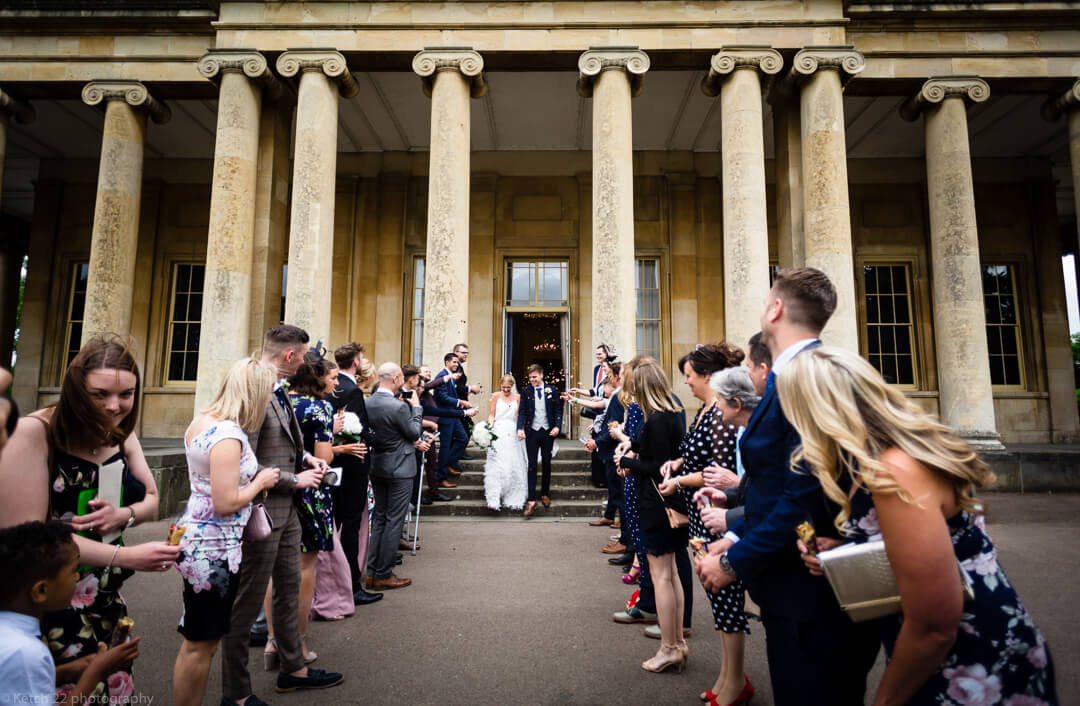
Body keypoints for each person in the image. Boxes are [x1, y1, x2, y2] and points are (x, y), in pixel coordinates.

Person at [783, 347, 1058, 706]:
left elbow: (934, 625)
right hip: (963, 647)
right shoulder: (882, 455)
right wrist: (845, 552)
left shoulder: (894, 471)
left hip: (971, 660)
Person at [693, 268, 880, 706]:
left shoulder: (806, 376)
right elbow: (784, 486)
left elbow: (803, 499)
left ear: (776, 308)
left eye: (765, 300)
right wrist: (739, 528)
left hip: (810, 598)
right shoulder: (797, 374)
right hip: (801, 578)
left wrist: (735, 559)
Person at [0, 336, 180, 700]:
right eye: (100, 395)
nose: (115, 407)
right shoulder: (36, 433)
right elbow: (29, 540)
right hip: (48, 598)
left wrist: (123, 515)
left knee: (111, 687)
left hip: (107, 594)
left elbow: (152, 498)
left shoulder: (119, 434)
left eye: (126, 394)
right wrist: (127, 556)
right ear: (77, 389)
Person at [220, 325, 342, 706]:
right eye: (303, 355)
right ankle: (237, 693)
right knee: (246, 601)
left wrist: (305, 458)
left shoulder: (280, 389)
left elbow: (283, 442)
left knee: (289, 587)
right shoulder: (254, 388)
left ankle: (293, 669)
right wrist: (297, 478)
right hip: (262, 508)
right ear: (290, 356)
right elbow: (243, 461)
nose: (307, 361)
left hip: (287, 509)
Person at [171, 357, 280, 706]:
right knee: (201, 643)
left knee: (199, 638)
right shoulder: (228, 435)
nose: (268, 402)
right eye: (266, 394)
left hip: (201, 540)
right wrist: (260, 481)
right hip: (213, 549)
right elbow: (226, 501)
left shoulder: (202, 420)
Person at [659, 344, 750, 706]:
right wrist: (678, 462)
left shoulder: (721, 414)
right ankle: (728, 676)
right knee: (717, 599)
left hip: (717, 514)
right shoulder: (707, 411)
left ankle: (736, 679)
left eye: (690, 376)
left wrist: (679, 481)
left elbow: (715, 472)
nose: (687, 383)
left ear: (708, 377)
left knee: (727, 599)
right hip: (703, 514)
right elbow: (696, 454)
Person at [0, 521, 140, 706]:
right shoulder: (27, 654)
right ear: (41, 591)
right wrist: (95, 673)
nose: (76, 577)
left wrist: (64, 672)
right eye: (73, 571)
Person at [616, 363, 687, 673]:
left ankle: (669, 646)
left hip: (656, 502)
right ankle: (678, 641)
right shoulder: (674, 412)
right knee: (671, 574)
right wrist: (633, 446)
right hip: (671, 502)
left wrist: (628, 459)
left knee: (662, 577)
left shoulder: (656, 419)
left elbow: (657, 465)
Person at [328, 343, 382, 606]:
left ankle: (336, 581)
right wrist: (376, 437)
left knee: (337, 522)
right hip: (352, 466)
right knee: (350, 526)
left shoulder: (331, 386)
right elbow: (359, 429)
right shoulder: (351, 390)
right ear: (356, 362)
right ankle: (350, 584)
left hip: (334, 464)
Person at [364, 363, 424, 590]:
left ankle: (372, 572)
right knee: (394, 520)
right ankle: (384, 574)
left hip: (378, 465)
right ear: (396, 378)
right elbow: (413, 433)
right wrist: (416, 409)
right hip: (400, 468)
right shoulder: (398, 407)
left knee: (379, 518)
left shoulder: (367, 403)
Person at [516, 363, 562, 516]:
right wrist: (520, 428)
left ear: (541, 375)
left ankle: (545, 493)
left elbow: (557, 410)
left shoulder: (552, 390)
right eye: (530, 377)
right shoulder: (526, 391)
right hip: (532, 432)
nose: (532, 380)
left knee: (547, 463)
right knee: (532, 464)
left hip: (548, 432)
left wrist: (557, 426)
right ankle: (531, 499)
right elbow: (522, 411)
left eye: (534, 377)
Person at [483, 373, 528, 511]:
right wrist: (488, 427)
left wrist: (520, 429)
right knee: (496, 464)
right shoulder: (496, 396)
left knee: (513, 463)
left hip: (512, 431)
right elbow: (492, 414)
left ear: (512, 386)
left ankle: (511, 494)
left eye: (509, 388)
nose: (506, 390)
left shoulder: (518, 398)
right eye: (504, 388)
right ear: (500, 386)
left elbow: (519, 415)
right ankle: (493, 499)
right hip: (498, 430)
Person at [433, 353, 471, 488]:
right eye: (454, 362)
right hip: (445, 418)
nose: (456, 364)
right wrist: (459, 402)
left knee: (463, 438)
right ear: (446, 362)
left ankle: (448, 463)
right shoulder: (441, 376)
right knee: (445, 447)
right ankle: (441, 477)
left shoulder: (452, 377)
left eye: (457, 363)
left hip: (453, 416)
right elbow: (442, 397)